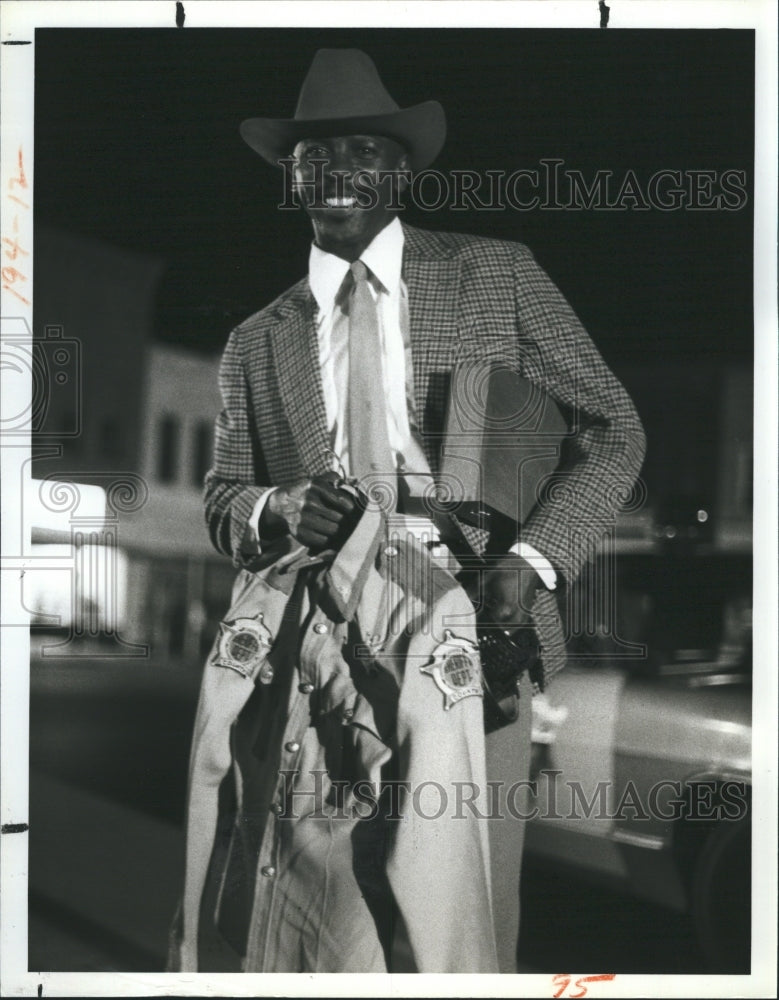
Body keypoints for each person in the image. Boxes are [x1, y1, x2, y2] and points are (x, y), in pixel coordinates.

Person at [170, 48, 645, 974]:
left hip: (476, 625)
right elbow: (223, 502)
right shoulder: (255, 341)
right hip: (318, 638)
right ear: (289, 175)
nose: (334, 171)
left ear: (398, 170)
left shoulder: (495, 274)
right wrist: (273, 505)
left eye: (359, 150)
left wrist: (533, 562)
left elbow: (614, 428)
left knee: (459, 915)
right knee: (317, 901)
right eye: (313, 154)